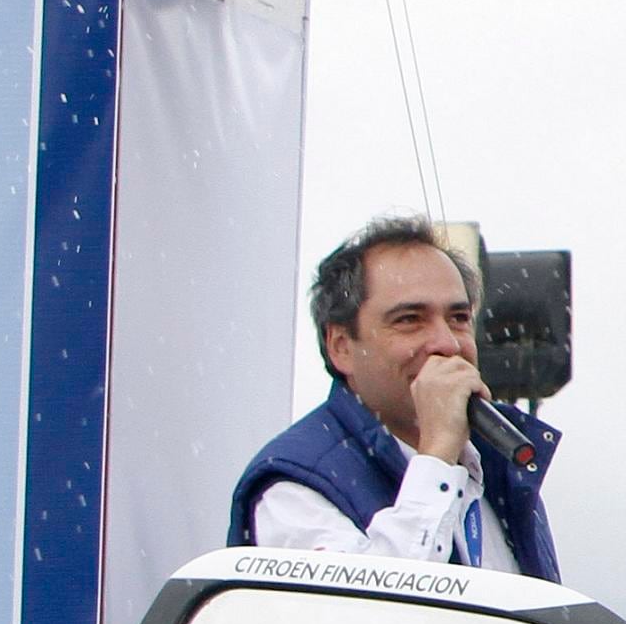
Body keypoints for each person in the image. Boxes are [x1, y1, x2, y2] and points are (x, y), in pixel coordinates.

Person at [231, 217, 558, 574]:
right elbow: (375, 617)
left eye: (459, 317)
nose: (446, 343)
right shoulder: (293, 486)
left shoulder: (499, 468)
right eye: (409, 320)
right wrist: (437, 456)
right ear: (341, 347)